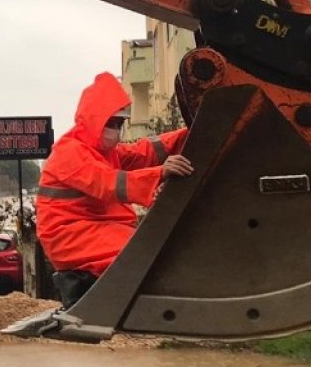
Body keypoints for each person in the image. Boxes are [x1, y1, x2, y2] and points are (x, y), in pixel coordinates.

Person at [36, 71, 194, 308]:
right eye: (112, 123)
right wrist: (161, 172)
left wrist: (191, 132)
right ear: (94, 119)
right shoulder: (69, 154)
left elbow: (144, 152)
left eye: (120, 123)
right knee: (143, 251)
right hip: (70, 234)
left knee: (150, 247)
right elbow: (109, 183)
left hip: (93, 228)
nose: (117, 130)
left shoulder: (103, 151)